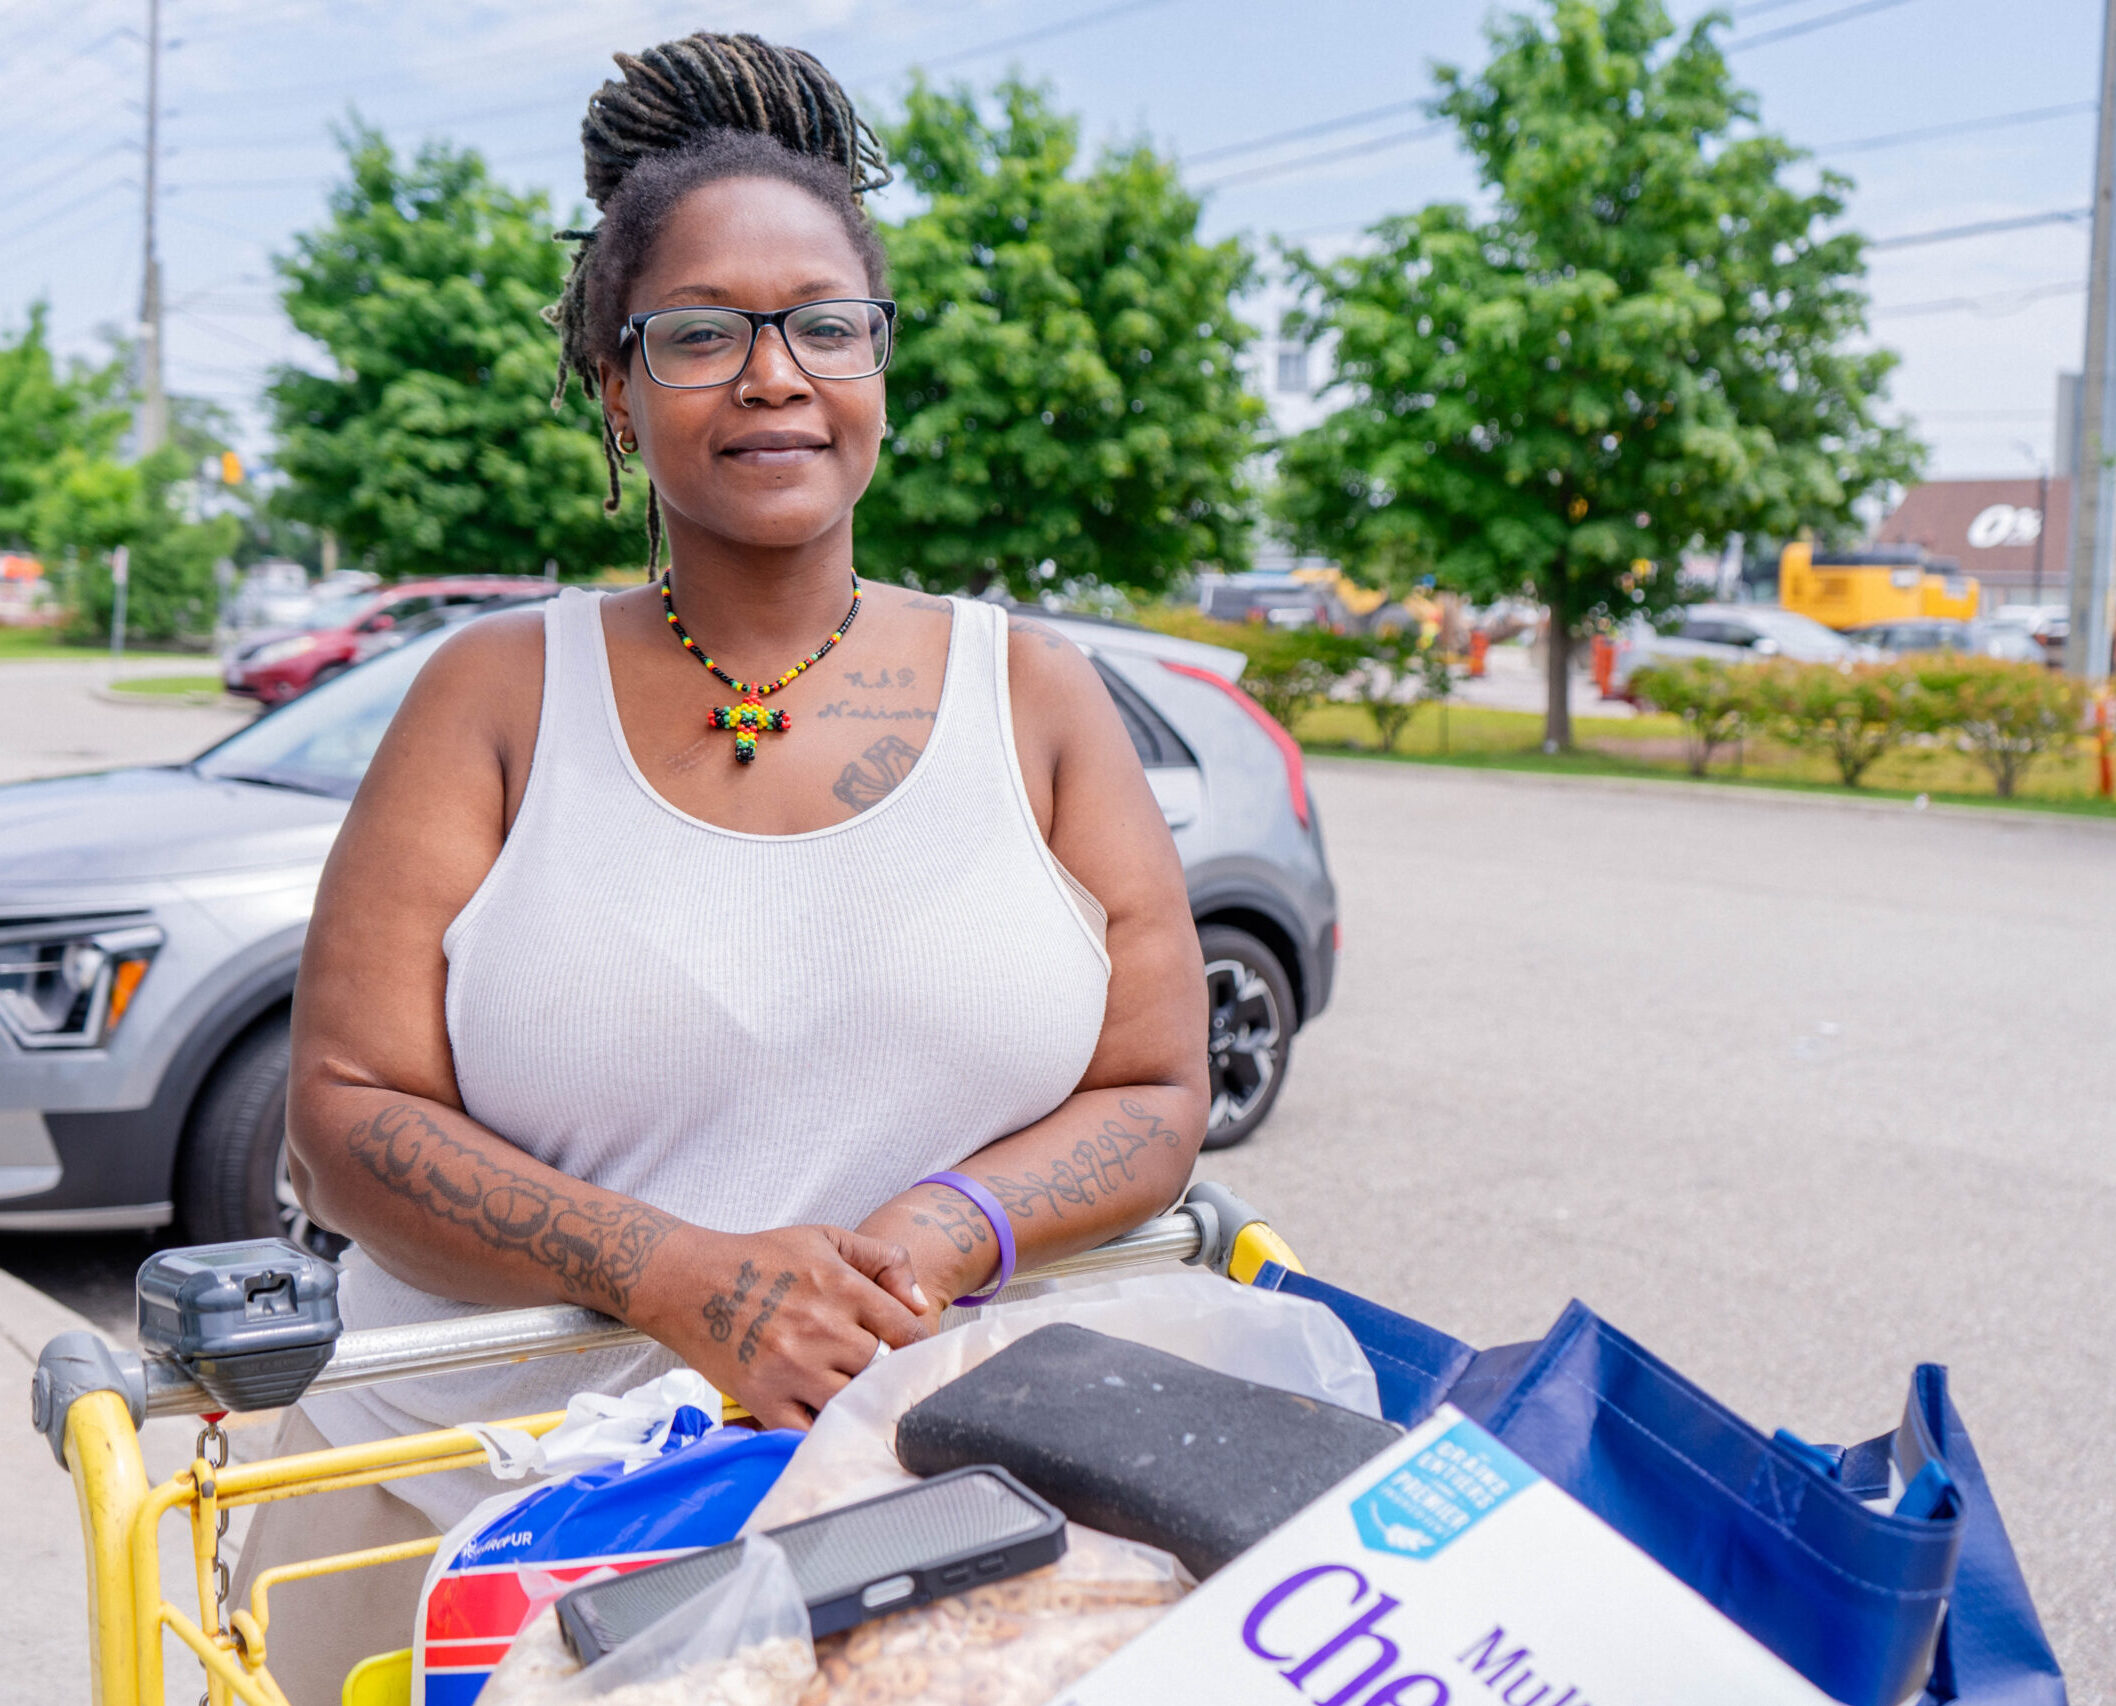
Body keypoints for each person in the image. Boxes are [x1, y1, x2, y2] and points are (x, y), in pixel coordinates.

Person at [235, 30, 1206, 1699]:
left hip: (905, 1517)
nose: (774, 374)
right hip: (443, 1514)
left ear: (879, 367)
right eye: (701, 334)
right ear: (617, 384)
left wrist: (939, 1227)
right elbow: (346, 1102)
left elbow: (1153, 1084)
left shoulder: (1032, 693)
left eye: (825, 325)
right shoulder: (491, 693)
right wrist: (674, 1274)